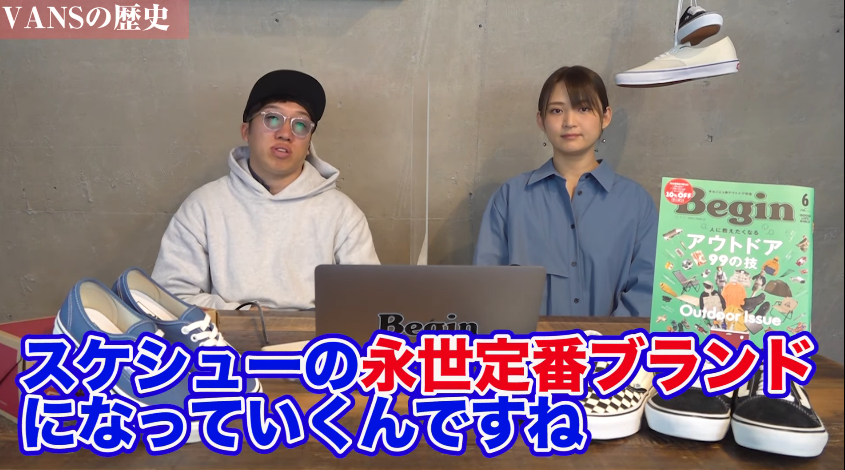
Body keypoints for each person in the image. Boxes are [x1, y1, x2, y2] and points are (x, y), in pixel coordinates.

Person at [151, 69, 380, 310]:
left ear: (308, 144)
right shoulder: (203, 206)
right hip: (225, 333)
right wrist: (245, 317)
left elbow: (368, 301)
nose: (285, 134)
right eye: (272, 119)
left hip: (315, 334)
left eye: (300, 124)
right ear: (246, 131)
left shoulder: (342, 213)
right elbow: (170, 297)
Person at [474, 65, 657, 317]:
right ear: (541, 120)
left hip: (614, 344)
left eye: (583, 108)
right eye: (557, 110)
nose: (570, 122)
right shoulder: (510, 198)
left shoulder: (635, 202)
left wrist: (604, 338)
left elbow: (648, 290)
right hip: (529, 343)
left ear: (605, 117)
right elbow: (488, 289)